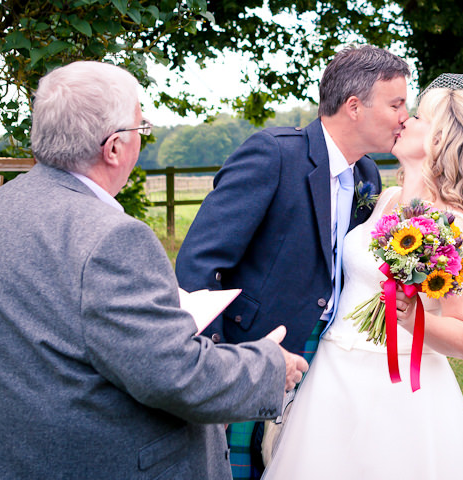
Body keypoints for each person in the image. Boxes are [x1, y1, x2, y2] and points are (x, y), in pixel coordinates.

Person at [0, 61, 308, 480]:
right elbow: (173, 376)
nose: (142, 141)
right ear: (114, 148)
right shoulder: (113, 238)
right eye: (141, 131)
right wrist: (269, 366)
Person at [175, 44, 411, 479]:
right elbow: (200, 260)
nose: (405, 117)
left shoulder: (368, 176)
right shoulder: (274, 154)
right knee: (238, 468)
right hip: (253, 352)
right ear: (354, 107)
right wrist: (216, 360)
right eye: (396, 104)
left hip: (327, 357)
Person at [261, 74, 463, 479]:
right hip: (334, 373)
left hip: (400, 390)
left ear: (441, 139)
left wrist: (411, 319)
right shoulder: (382, 196)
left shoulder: (453, 226)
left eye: (418, 116)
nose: (404, 119)